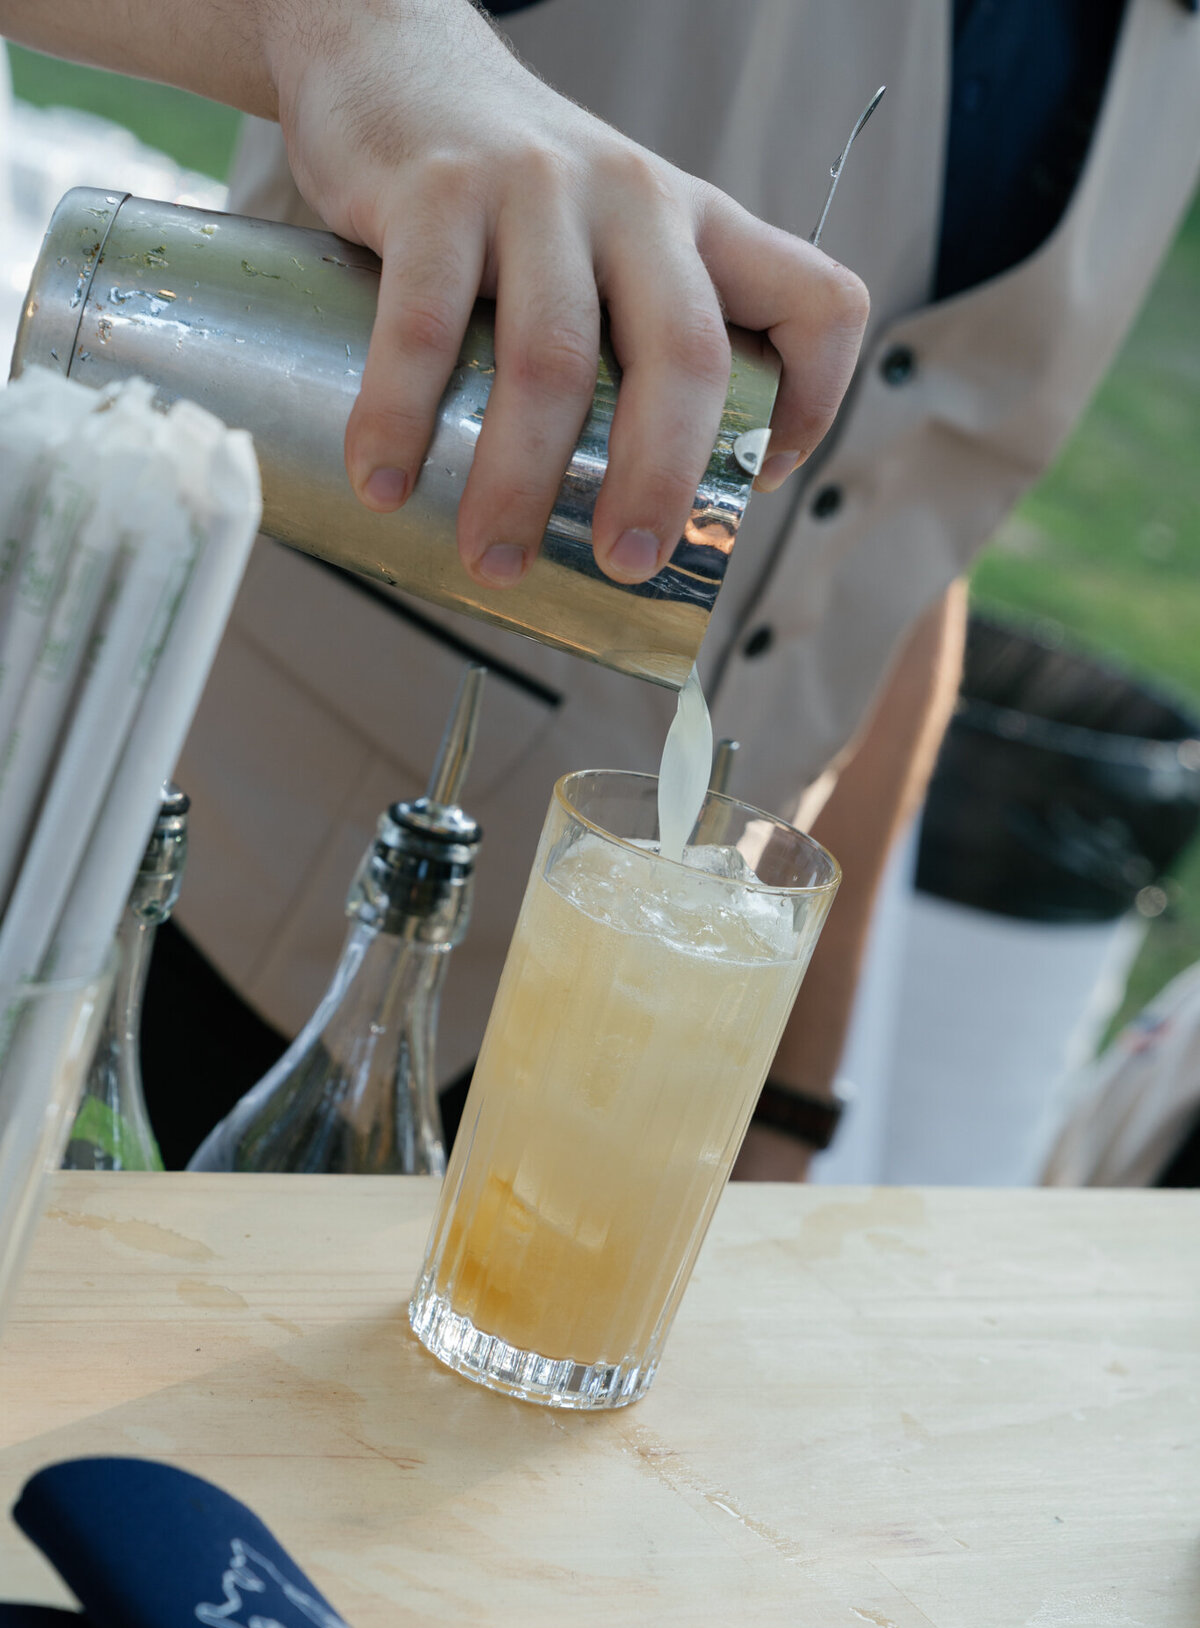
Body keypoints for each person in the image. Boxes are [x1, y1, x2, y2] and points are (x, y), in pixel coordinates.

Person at [7, 0, 1200, 1175]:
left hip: (619, 1082)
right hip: (182, 911)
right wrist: (360, 35)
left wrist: (784, 1099)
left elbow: (896, 539)